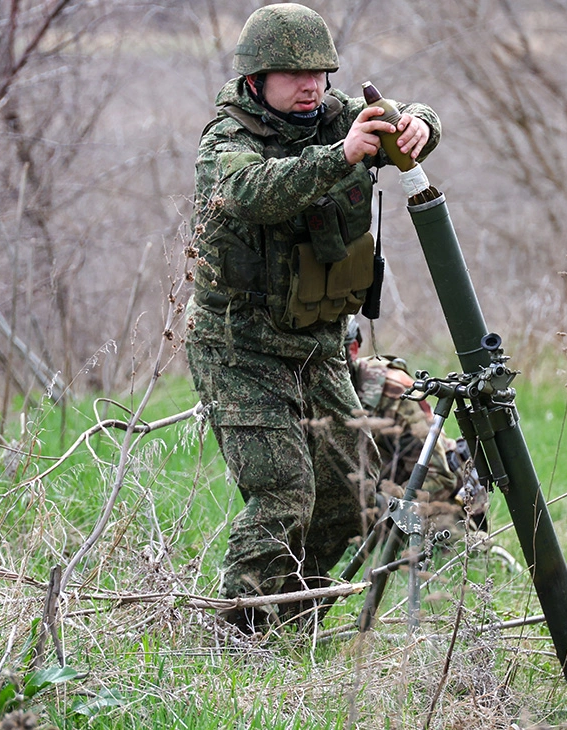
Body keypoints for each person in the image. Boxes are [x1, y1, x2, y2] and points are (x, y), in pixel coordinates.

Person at [184, 3, 440, 634]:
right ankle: (235, 638)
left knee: (347, 496)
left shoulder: (338, 117)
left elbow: (417, 119)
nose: (312, 87)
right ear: (255, 80)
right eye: (294, 75)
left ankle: (289, 622)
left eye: (321, 74)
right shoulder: (226, 142)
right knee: (283, 493)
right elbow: (253, 193)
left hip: (316, 343)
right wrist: (343, 157)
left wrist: (417, 128)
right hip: (238, 347)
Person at [343, 318, 488, 540]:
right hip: (366, 501)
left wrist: (377, 505)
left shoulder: (393, 391)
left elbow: (439, 478)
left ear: (352, 350)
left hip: (432, 500)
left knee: (439, 545)